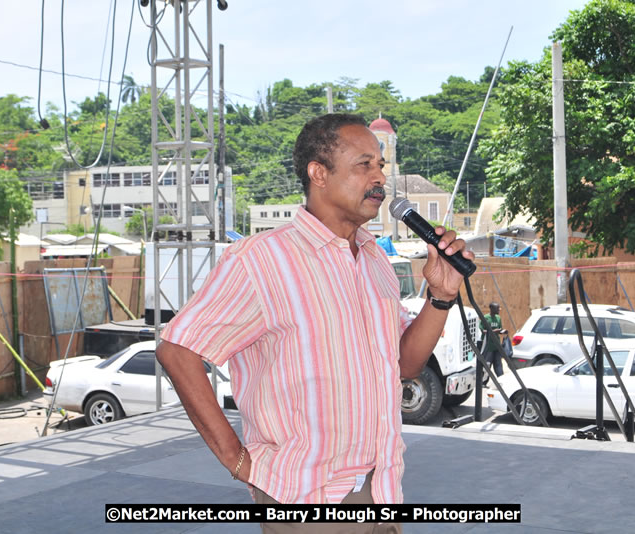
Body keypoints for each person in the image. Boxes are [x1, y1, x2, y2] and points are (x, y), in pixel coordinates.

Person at [156, 113, 473, 532]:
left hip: (383, 491)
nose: (380, 177)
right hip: (306, 498)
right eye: (364, 165)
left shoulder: (375, 258)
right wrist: (235, 458)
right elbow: (177, 350)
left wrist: (440, 296)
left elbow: (405, 365)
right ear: (319, 174)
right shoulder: (260, 260)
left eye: (381, 165)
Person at [479, 302, 507, 379]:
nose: (499, 310)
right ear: (491, 309)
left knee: (498, 365)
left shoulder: (498, 318)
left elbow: (499, 329)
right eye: (497, 308)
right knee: (487, 366)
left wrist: (503, 332)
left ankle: (501, 380)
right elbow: (483, 331)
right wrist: (494, 331)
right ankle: (484, 381)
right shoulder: (485, 318)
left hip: (496, 346)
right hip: (488, 347)